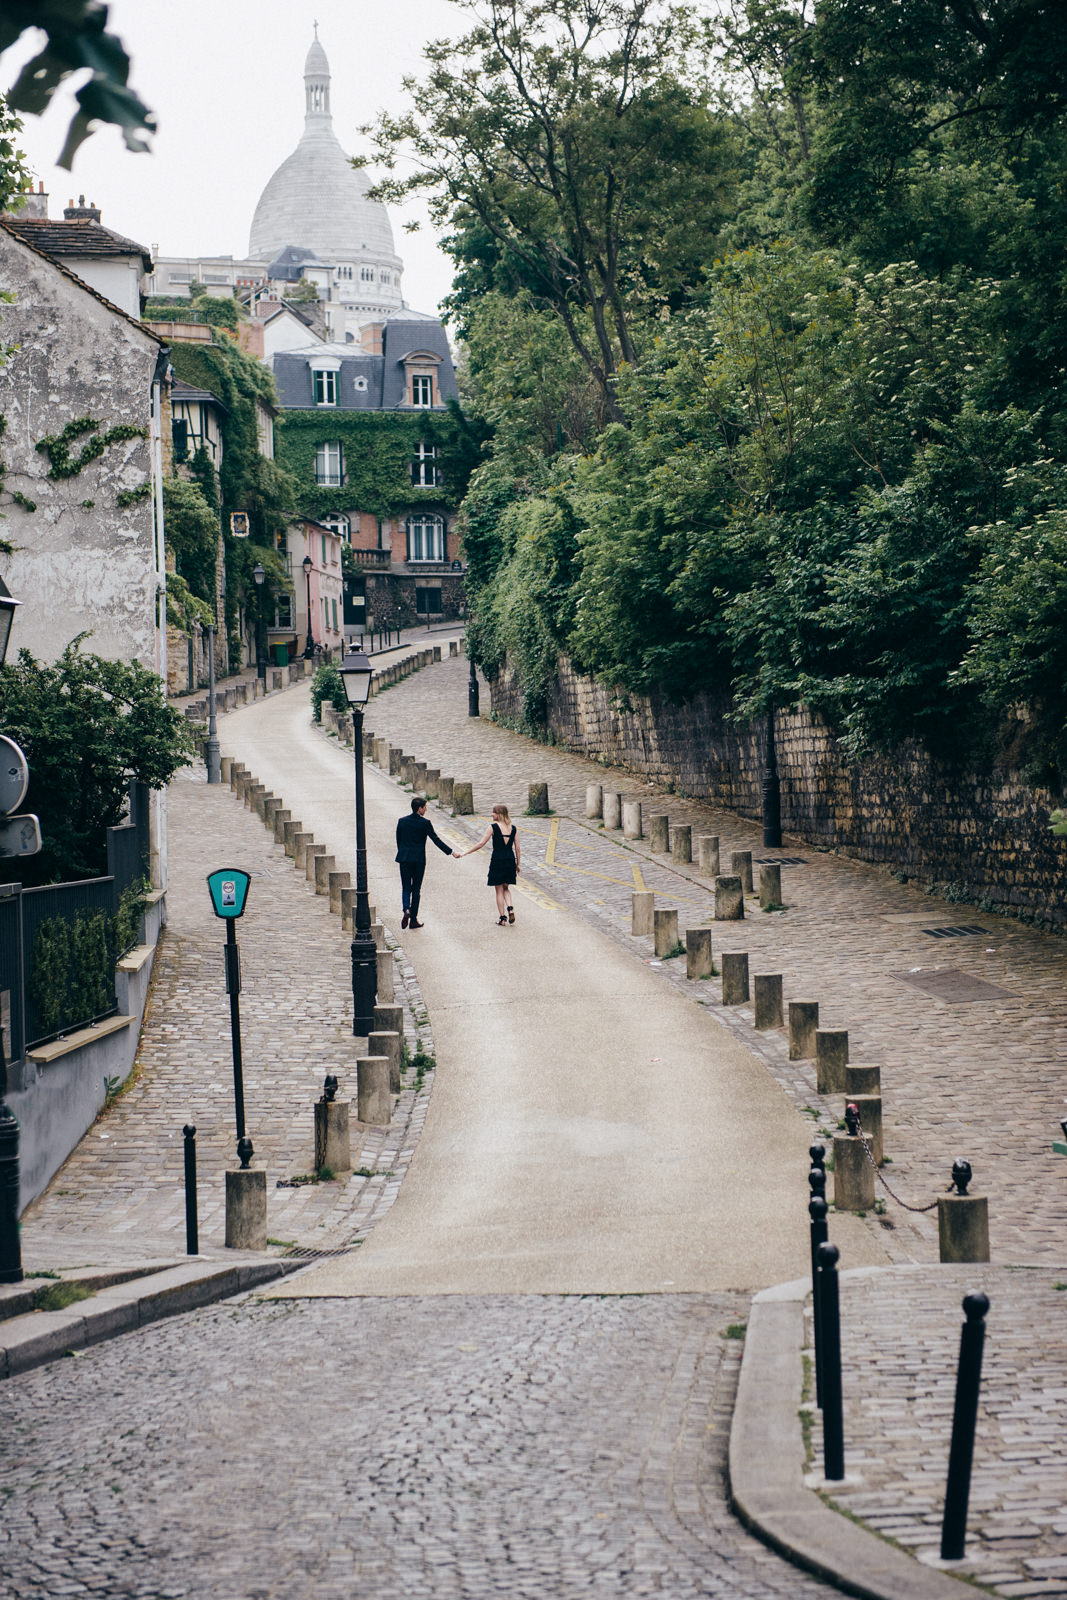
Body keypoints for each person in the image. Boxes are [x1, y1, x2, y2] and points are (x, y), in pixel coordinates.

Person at [395, 795, 458, 928]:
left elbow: (399, 840)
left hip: (404, 858)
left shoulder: (402, 821)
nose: (426, 810)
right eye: (425, 807)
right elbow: (436, 840)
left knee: (406, 887)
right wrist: (451, 852)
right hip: (418, 860)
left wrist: (403, 853)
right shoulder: (425, 823)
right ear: (420, 809)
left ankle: (406, 909)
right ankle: (413, 919)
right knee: (416, 889)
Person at [459, 803, 520, 925]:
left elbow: (481, 844)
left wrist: (465, 853)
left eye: (494, 812)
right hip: (509, 859)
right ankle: (510, 908)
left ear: (499, 814)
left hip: (497, 860)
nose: (492, 814)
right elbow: (517, 848)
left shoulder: (493, 827)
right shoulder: (513, 828)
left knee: (498, 890)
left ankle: (502, 918)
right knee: (506, 888)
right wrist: (518, 864)